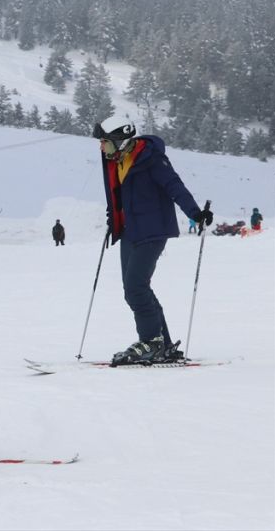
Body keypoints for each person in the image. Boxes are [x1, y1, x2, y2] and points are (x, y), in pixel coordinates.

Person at [94, 116, 212, 366]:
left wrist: (196, 213)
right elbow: (118, 196)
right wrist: (112, 220)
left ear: (121, 141)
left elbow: (174, 187)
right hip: (129, 232)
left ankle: (151, 341)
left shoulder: (151, 159)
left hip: (152, 230)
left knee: (136, 287)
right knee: (135, 289)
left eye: (105, 141)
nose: (101, 147)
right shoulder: (115, 161)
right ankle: (162, 344)